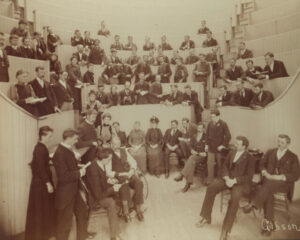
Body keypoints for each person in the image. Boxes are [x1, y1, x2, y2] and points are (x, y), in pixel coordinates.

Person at [196, 136, 255, 240]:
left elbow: (249, 177)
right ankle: (206, 217)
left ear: (244, 146)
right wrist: (227, 178)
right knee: (211, 188)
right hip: (227, 179)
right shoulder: (232, 152)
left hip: (239, 183)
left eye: (237, 144)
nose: (234, 145)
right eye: (235, 143)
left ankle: (226, 230)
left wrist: (234, 181)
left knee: (234, 200)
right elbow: (224, 166)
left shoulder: (250, 158)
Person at [243, 134, 300, 237]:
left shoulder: (293, 157)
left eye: (282, 142)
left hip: (283, 184)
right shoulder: (271, 152)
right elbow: (261, 164)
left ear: (288, 144)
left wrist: (277, 177)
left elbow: (296, 176)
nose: (279, 144)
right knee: (268, 193)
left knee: (266, 187)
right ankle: (269, 225)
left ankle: (253, 204)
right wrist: (264, 172)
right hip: (268, 183)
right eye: (278, 141)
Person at [52, 129, 89, 240]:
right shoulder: (59, 153)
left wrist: (79, 167)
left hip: (74, 190)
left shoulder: (67, 150)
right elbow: (63, 177)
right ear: (68, 138)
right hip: (65, 194)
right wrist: (79, 173)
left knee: (83, 214)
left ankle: (82, 238)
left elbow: (69, 167)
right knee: (65, 224)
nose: (76, 141)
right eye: (75, 139)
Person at [25, 126, 56, 240]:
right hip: (41, 184)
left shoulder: (41, 147)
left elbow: (40, 163)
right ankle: (40, 236)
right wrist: (48, 183)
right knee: (40, 210)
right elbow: (40, 168)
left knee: (42, 209)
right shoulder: (39, 149)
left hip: (40, 183)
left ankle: (43, 235)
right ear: (43, 136)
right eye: (50, 136)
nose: (51, 139)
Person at [86, 148, 123, 240]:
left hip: (100, 191)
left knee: (119, 190)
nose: (110, 161)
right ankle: (114, 235)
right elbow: (98, 195)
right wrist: (112, 189)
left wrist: (110, 181)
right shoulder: (94, 170)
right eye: (109, 159)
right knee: (111, 203)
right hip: (94, 198)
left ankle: (119, 214)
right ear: (103, 159)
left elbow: (101, 182)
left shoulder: (99, 164)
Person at [111, 137, 145, 221]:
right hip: (119, 176)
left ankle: (138, 209)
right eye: (115, 144)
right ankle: (126, 212)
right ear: (111, 144)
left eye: (119, 144)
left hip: (129, 174)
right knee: (124, 187)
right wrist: (119, 174)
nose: (117, 146)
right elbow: (108, 171)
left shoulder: (124, 150)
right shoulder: (109, 153)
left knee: (139, 183)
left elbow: (133, 162)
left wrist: (132, 170)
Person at [174, 123, 207, 192]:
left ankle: (182, 175)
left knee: (191, 159)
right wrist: (192, 150)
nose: (199, 130)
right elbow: (190, 146)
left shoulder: (206, 137)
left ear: (203, 129)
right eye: (198, 128)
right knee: (192, 161)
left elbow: (208, 148)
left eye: (201, 128)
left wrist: (205, 152)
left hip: (202, 156)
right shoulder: (194, 136)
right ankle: (188, 184)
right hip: (195, 155)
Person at [206, 109, 231, 184]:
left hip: (219, 148)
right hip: (211, 147)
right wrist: (206, 145)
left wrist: (223, 145)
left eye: (213, 117)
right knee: (210, 164)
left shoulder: (223, 124)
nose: (212, 118)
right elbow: (207, 135)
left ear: (218, 116)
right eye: (211, 117)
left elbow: (228, 136)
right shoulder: (210, 123)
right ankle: (210, 180)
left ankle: (219, 180)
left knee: (220, 164)